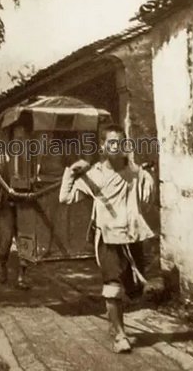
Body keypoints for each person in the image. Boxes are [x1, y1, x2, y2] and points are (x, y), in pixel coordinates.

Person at [59, 124, 155, 354]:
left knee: (134, 290)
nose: (116, 147)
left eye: (121, 142)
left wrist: (145, 180)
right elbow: (65, 198)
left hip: (132, 236)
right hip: (108, 238)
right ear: (102, 146)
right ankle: (121, 335)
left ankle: (114, 322)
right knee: (112, 287)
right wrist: (72, 172)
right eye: (111, 142)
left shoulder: (136, 173)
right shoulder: (94, 175)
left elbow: (147, 200)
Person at [0, 161, 30, 290]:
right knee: (4, 245)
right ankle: (2, 267)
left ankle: (22, 276)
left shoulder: (32, 165)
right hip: (6, 209)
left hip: (25, 208)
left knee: (26, 243)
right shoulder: (2, 167)